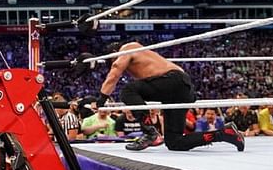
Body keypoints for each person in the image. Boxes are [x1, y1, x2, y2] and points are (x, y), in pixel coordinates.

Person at [97, 42, 244, 152]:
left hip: (173, 80)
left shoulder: (128, 48)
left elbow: (115, 71)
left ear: (114, 53)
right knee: (174, 142)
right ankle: (224, 134)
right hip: (179, 90)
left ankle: (150, 132)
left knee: (128, 90)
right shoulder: (141, 64)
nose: (115, 65)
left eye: (112, 61)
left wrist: (102, 99)